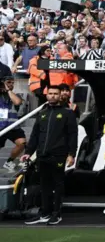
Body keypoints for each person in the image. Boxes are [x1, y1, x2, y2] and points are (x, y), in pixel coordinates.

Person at [22, 85, 78, 225]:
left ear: (60, 96)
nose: (52, 96)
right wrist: (28, 152)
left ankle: (56, 213)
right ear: (46, 95)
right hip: (42, 155)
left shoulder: (67, 113)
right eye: (50, 93)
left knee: (58, 184)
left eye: (55, 94)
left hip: (58, 154)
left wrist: (71, 154)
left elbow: (73, 135)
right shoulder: (43, 113)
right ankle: (45, 213)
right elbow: (35, 135)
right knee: (44, 185)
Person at [0, 75, 27, 171]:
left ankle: (9, 162)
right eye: (8, 83)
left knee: (22, 143)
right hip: (0, 127)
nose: (11, 85)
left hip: (13, 127)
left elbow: (17, 102)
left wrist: (8, 91)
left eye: (12, 83)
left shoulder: (15, 95)